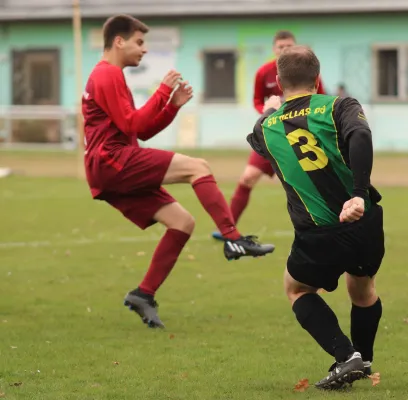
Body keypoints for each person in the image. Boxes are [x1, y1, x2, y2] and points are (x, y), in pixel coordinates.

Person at [82, 14, 275, 329]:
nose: (144, 50)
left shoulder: (110, 75)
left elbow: (140, 132)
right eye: (139, 42)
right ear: (119, 41)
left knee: (182, 223)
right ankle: (233, 238)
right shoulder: (107, 75)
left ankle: (143, 294)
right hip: (112, 161)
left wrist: (171, 106)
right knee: (198, 167)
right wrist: (162, 92)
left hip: (112, 164)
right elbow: (134, 124)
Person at [246, 45, 384, 390]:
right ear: (318, 79)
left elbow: (257, 138)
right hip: (365, 219)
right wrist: (357, 192)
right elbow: (361, 135)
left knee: (296, 288)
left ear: (278, 81)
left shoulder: (265, 128)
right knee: (363, 286)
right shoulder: (340, 105)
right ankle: (362, 360)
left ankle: (346, 355)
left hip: (319, 231)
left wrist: (268, 110)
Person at [211, 30, 326, 241]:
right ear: (274, 49)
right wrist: (268, 112)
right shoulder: (264, 72)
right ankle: (228, 229)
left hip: (301, 137)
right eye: (281, 47)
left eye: (289, 47)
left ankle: (325, 225)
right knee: (247, 178)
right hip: (272, 134)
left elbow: (322, 99)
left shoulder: (309, 72)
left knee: (311, 182)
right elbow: (256, 100)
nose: (284, 50)